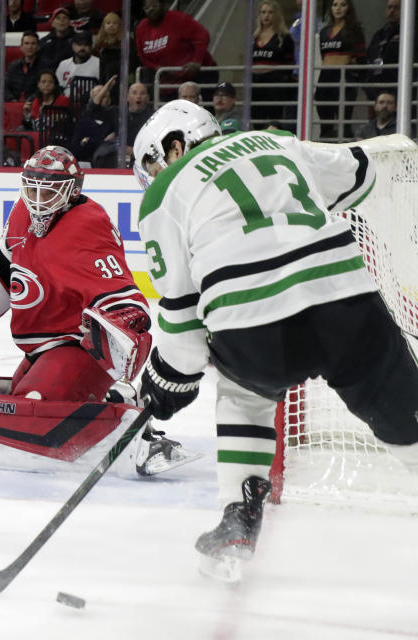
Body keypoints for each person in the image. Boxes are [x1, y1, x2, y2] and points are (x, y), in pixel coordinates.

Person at [131, 99, 418, 581]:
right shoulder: (279, 141)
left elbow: (182, 326)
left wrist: (166, 382)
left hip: (253, 328)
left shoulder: (163, 194)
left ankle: (239, 516)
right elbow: (359, 175)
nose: (153, 174)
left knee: (244, 393)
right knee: (406, 422)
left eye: (153, 162)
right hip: (344, 302)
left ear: (175, 145)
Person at [0, 145, 192, 473]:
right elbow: (4, 264)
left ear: (73, 191)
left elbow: (123, 299)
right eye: (32, 188)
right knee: (4, 398)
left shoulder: (87, 225)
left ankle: (138, 431)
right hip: (41, 349)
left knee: (34, 407)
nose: (38, 199)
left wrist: (122, 330)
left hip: (77, 349)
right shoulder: (22, 211)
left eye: (49, 191)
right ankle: (107, 406)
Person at [135, 0, 218, 99]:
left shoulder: (179, 19)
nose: (151, 9)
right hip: (168, 81)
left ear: (163, 5)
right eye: (147, 7)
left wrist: (197, 60)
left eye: (154, 5)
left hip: (199, 76)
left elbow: (202, 36)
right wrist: (157, 67)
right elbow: (141, 55)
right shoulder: (141, 28)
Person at [315, 0, 366, 140]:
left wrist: (348, 62)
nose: (338, 8)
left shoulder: (354, 30)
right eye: (334, 4)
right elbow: (323, 55)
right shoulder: (324, 31)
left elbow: (362, 57)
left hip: (345, 76)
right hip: (325, 77)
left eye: (342, 5)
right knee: (325, 122)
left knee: (344, 121)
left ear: (348, 8)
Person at [251, 0, 295, 127]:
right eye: (263, 12)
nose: (266, 16)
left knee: (274, 121)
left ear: (276, 15)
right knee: (257, 120)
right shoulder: (254, 37)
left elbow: (290, 64)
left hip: (275, 85)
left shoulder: (284, 37)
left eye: (270, 12)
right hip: (256, 84)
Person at [71, 74, 118, 167]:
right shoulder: (87, 114)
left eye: (105, 96)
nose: (101, 98)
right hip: (82, 157)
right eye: (100, 95)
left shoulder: (112, 114)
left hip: (102, 158)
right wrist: (107, 85)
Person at [365, 0, 402, 100]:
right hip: (375, 88)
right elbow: (369, 57)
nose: (392, 11)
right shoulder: (379, 34)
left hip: (398, 87)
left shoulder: (408, 33)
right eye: (389, 7)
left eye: (396, 8)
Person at [56, 30, 102, 98]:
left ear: (91, 47)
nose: (82, 48)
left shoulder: (98, 63)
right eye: (79, 44)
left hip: (89, 103)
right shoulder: (63, 64)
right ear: (73, 46)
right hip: (66, 102)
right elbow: (58, 87)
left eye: (86, 45)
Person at [4, 31, 43, 102]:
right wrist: (11, 99)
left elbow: (44, 89)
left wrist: (30, 101)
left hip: (35, 104)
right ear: (21, 47)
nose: (30, 47)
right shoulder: (13, 66)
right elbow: (5, 87)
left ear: (38, 47)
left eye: (33, 43)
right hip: (13, 104)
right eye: (26, 43)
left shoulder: (45, 66)